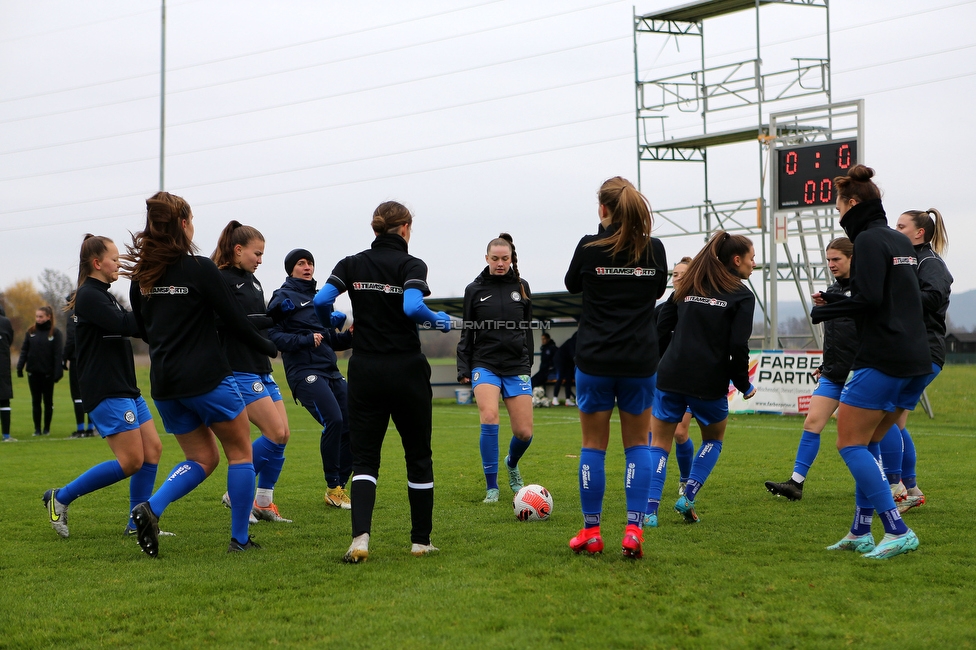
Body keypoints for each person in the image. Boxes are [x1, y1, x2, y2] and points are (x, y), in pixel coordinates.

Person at [124, 191, 278, 557]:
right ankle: (240, 540)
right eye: (191, 220)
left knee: (202, 459)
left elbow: (143, 328)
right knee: (241, 455)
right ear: (182, 224)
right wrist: (270, 347)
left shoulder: (142, 275)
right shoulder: (199, 268)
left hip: (165, 384)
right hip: (209, 380)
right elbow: (234, 320)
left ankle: (151, 507)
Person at [312, 200, 453, 563]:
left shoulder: (351, 263)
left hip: (365, 371)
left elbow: (322, 300)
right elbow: (411, 307)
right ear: (404, 228)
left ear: (375, 229)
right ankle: (421, 542)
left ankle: (360, 540)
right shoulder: (411, 264)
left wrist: (335, 319)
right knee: (418, 456)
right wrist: (436, 318)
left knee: (365, 460)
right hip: (406, 369)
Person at [810, 164, 929, 560]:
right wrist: (839, 302)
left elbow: (870, 301)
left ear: (854, 204)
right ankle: (861, 531)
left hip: (882, 358)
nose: (839, 217)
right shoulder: (899, 241)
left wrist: (827, 310)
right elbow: (891, 299)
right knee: (872, 441)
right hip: (915, 358)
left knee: (849, 444)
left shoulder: (868, 243)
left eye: (839, 209)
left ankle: (896, 529)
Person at [564, 176, 667, 559]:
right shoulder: (654, 250)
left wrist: (602, 232)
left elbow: (572, 283)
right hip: (640, 360)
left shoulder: (589, 247)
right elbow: (656, 292)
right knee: (638, 444)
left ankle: (592, 531)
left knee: (593, 444)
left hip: (594, 359)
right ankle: (633, 529)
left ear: (604, 209)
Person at [41, 235, 165, 540]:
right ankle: (61, 496)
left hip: (126, 387)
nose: (119, 264)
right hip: (106, 389)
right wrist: (155, 305)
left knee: (152, 451)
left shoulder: (105, 294)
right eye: (115, 258)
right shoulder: (89, 295)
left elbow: (129, 321)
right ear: (97, 263)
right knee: (131, 460)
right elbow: (125, 324)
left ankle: (136, 523)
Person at [212, 221, 293, 523]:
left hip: (261, 367)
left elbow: (255, 320)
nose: (260, 260)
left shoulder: (253, 281)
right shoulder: (220, 279)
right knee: (272, 433)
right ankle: (235, 495)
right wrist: (270, 319)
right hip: (239, 369)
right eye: (256, 254)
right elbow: (228, 322)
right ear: (238, 250)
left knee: (283, 434)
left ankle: (263, 501)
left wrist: (274, 318)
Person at [764, 238, 857, 501]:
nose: (831, 264)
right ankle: (796, 484)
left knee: (862, 436)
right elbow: (836, 335)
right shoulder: (832, 290)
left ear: (852, 258)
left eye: (836, 259)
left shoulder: (867, 290)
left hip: (860, 374)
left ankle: (894, 484)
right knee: (812, 423)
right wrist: (825, 364)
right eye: (828, 260)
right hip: (833, 373)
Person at [267, 248, 353, 509]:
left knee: (354, 424)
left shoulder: (320, 300)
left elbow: (331, 341)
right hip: (304, 373)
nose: (307, 267)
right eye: (301, 263)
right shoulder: (282, 298)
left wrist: (351, 334)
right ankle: (332, 486)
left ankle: (337, 488)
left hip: (330, 370)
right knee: (334, 420)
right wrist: (305, 339)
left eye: (310, 263)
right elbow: (272, 336)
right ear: (291, 269)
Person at [878, 208, 952, 513]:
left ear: (919, 232)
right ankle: (909, 487)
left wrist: (893, 298)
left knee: (883, 417)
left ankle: (897, 487)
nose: (896, 230)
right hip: (911, 351)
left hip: (924, 352)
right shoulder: (909, 260)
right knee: (892, 419)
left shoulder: (930, 262)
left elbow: (933, 296)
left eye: (900, 225)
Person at [457, 233, 534, 503]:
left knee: (524, 433)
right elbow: (468, 330)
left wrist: (529, 363)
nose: (500, 263)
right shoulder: (474, 289)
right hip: (485, 364)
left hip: (517, 365)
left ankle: (511, 464)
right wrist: (463, 365)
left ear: (512, 258)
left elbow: (528, 331)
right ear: (486, 258)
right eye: (495, 259)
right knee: (489, 417)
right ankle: (492, 487)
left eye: (505, 258)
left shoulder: (522, 286)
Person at [652, 256, 698, 498]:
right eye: (674, 274)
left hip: (691, 380)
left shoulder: (699, 309)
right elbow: (654, 343)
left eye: (681, 274)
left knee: (680, 433)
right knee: (654, 438)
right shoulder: (662, 310)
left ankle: (684, 480)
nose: (676, 278)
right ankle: (651, 489)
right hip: (661, 380)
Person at [17, 306, 64, 436]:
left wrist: (57, 372)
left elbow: (57, 354)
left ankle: (46, 429)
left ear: (48, 317)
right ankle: (37, 429)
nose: (38, 319)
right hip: (33, 373)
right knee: (35, 402)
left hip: (48, 374)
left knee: (48, 402)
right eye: (37, 316)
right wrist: (20, 367)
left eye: (41, 316)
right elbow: (24, 351)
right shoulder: (31, 331)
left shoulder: (55, 333)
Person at [63, 293, 96, 438]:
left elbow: (71, 339)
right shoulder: (93, 312)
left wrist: (64, 357)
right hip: (93, 358)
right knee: (90, 393)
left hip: (78, 359)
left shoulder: (73, 316)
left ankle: (80, 429)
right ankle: (91, 429)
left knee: (77, 396)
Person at [0, 304, 14, 442]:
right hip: (3, 365)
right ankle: (6, 435)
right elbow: (10, 339)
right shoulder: (5, 322)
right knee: (4, 400)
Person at [552, 332, 577, 406]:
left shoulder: (575, 342)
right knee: (560, 378)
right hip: (560, 360)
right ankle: (555, 398)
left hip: (568, 362)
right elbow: (573, 355)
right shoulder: (572, 342)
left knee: (569, 379)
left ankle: (568, 400)